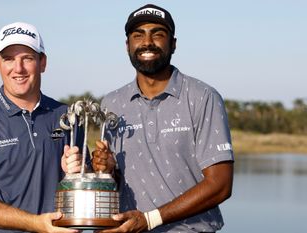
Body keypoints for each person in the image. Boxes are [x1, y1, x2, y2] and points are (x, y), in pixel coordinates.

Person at [92, 4, 234, 233]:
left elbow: (220, 185)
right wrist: (108, 171)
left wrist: (150, 219)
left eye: (158, 34)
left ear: (173, 44)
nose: (147, 42)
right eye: (138, 35)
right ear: (128, 45)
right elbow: (117, 182)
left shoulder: (202, 97)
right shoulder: (112, 104)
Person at [0, 22, 82, 233]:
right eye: (9, 59)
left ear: (43, 62)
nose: (18, 68)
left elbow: (89, 187)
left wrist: (77, 173)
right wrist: (35, 223)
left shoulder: (68, 117)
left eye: (27, 58)